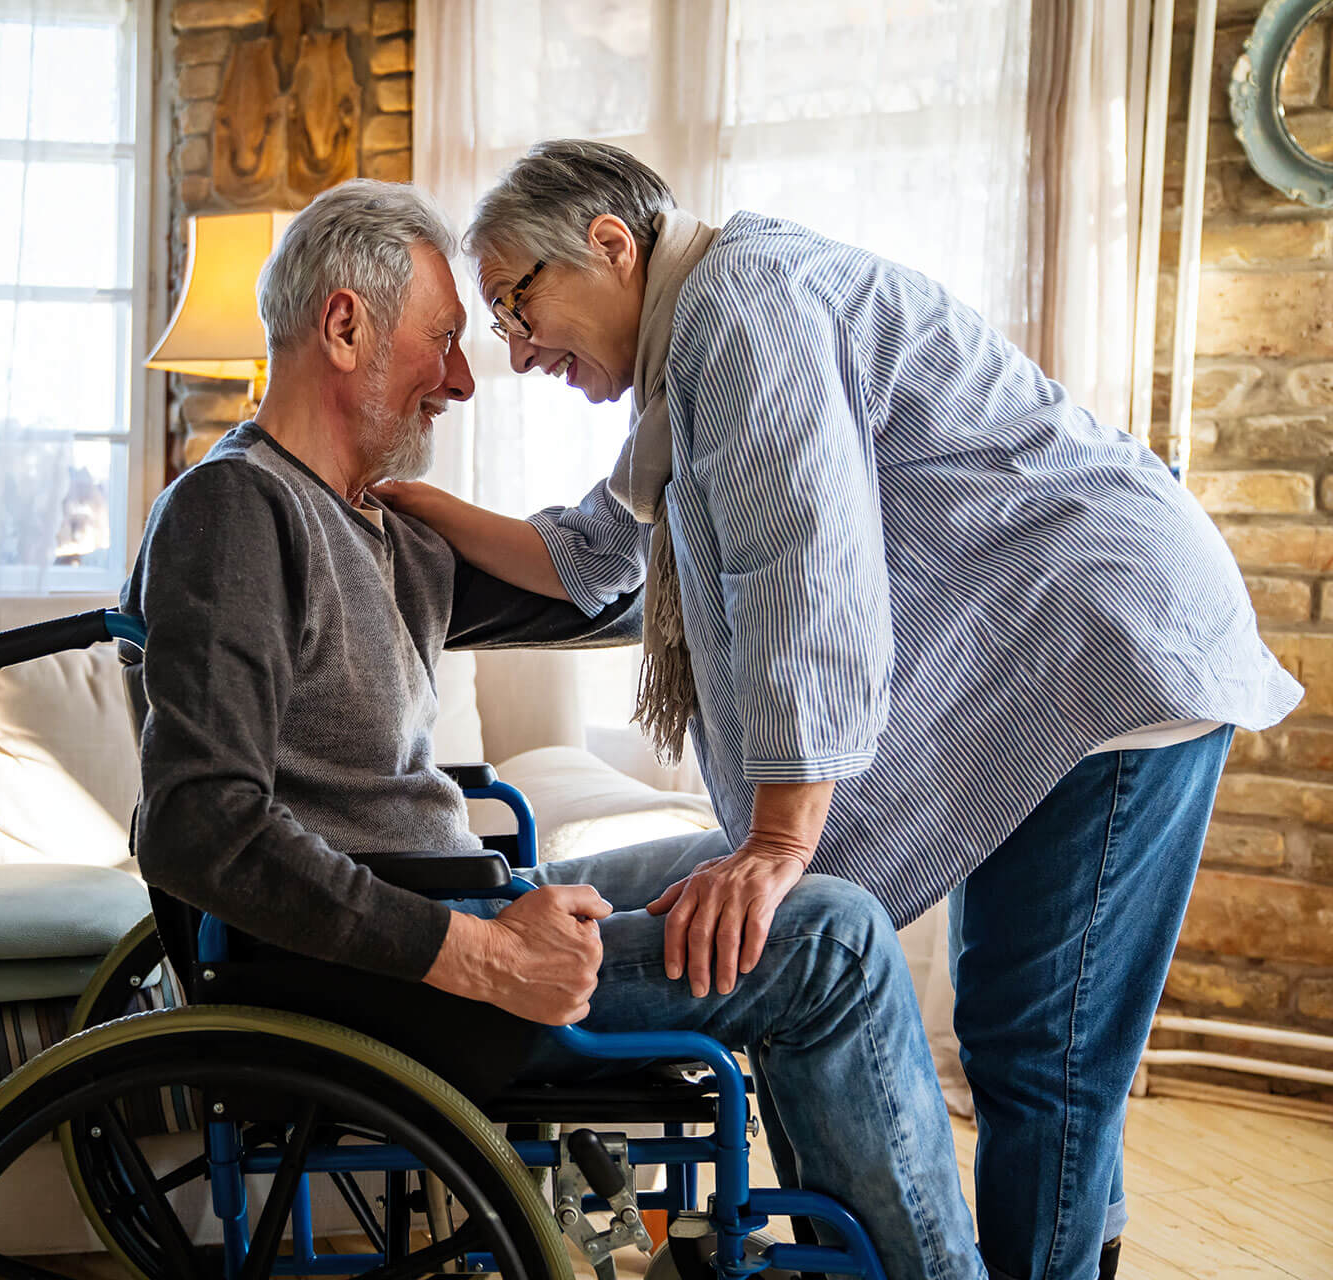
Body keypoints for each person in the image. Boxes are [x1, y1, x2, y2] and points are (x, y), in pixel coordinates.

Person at [375, 140, 1305, 1280]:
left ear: (611, 245)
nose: (516, 353)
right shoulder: (687, 353)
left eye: (517, 307)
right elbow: (589, 557)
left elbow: (801, 568)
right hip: (1070, 645)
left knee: (1041, 1048)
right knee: (1031, 1029)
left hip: (1109, 644)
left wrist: (778, 840)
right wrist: (406, 500)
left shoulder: (744, 311)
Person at [123, 178, 987, 1280]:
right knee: (834, 941)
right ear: (344, 327)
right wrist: (482, 953)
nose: (464, 378)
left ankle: (817, 1256)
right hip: (396, 978)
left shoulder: (375, 527)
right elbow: (202, 823)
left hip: (456, 910)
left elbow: (613, 592)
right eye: (442, 340)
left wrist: (751, 453)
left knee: (756, 876)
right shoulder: (236, 509)